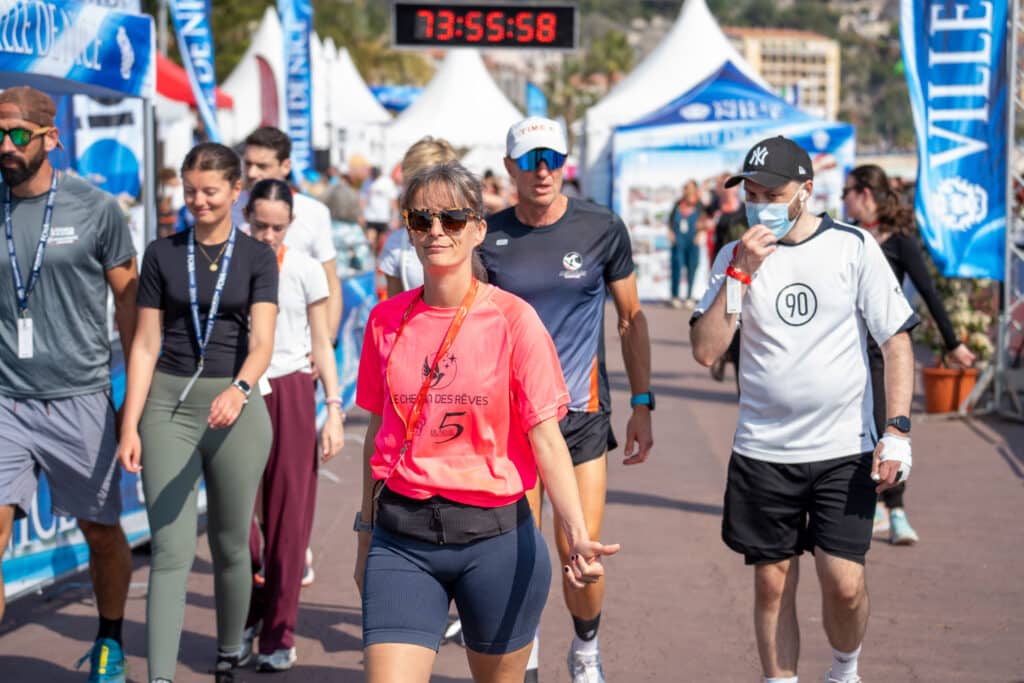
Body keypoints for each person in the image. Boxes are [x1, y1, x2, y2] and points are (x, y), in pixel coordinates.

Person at [353, 161, 618, 683]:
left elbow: (545, 437)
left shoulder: (515, 320)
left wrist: (575, 533)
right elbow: (375, 434)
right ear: (407, 228)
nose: (436, 232)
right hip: (402, 538)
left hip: (497, 541)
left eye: (452, 219)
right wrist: (365, 533)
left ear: (478, 229)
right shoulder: (385, 321)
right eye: (422, 219)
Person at [690, 136, 917, 683]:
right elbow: (706, 350)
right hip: (764, 449)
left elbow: (897, 342)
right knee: (772, 584)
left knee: (844, 583)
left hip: (844, 447)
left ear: (806, 192)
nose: (759, 200)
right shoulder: (733, 255)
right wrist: (741, 273)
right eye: (751, 191)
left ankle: (845, 668)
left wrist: (899, 431)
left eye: (773, 191)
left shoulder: (853, 246)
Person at [478, 116, 654, 683]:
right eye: (530, 160)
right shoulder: (488, 234)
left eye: (553, 158)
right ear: (510, 169)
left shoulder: (601, 227)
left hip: (579, 417)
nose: (544, 170)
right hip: (511, 423)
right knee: (519, 556)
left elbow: (631, 318)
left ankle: (585, 649)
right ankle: (524, 660)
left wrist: (643, 402)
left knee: (582, 557)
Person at [117, 143, 278, 682]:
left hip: (236, 408)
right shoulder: (162, 253)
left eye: (210, 191)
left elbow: (263, 343)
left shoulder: (257, 256)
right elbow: (143, 346)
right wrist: (130, 423)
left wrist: (239, 387)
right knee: (170, 548)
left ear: (237, 191)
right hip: (168, 404)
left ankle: (230, 648)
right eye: (190, 191)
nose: (198, 201)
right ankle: (159, 676)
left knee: (232, 542)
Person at [0, 86, 138, 682]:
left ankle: (109, 639)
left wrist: (136, 399)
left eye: (19, 135)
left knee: (101, 533)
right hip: (6, 397)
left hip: (80, 395)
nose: (6, 145)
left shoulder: (96, 208)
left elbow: (129, 303)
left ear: (50, 138)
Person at [241, 179, 345, 671]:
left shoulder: (304, 270)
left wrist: (335, 408)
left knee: (289, 517)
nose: (267, 235)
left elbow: (322, 341)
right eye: (258, 225)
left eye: (277, 227)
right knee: (237, 521)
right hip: (235, 392)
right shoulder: (229, 262)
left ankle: (279, 634)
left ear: (291, 225)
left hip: (290, 391)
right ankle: (247, 616)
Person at [843, 164, 975, 545]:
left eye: (847, 192)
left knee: (887, 427)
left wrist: (953, 344)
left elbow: (929, 294)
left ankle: (897, 511)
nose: (843, 200)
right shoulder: (846, 237)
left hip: (883, 353)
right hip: (846, 352)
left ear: (865, 193)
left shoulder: (900, 242)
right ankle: (867, 507)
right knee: (850, 432)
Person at [240, 126, 341, 340]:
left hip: (296, 347)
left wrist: (327, 341)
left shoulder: (314, 212)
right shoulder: (230, 207)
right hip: (240, 343)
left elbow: (330, 282)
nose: (251, 173)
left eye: (262, 166)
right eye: (248, 163)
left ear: (286, 166)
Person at [378, 136, 459, 297]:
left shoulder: (469, 232)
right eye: (414, 183)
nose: (423, 192)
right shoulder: (396, 244)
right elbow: (395, 310)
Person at [667, 180, 702, 308]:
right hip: (679, 240)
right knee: (677, 266)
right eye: (685, 187)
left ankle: (689, 297)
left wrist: (700, 233)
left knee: (692, 268)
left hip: (693, 240)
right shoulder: (677, 204)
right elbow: (670, 221)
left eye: (690, 187)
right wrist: (670, 232)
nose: (687, 190)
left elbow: (705, 220)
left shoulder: (699, 205)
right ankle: (675, 296)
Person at [362, 165, 399, 252]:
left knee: (382, 241)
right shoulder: (367, 182)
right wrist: (362, 214)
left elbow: (393, 201)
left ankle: (379, 257)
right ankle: (371, 257)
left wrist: (395, 217)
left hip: (384, 218)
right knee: (370, 241)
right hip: (370, 216)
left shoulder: (387, 182)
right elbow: (362, 198)